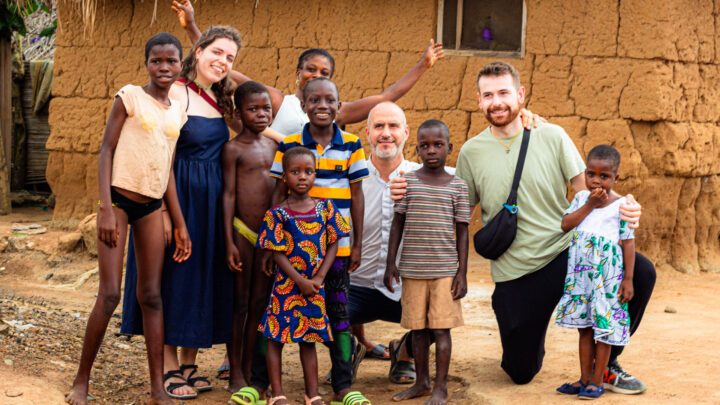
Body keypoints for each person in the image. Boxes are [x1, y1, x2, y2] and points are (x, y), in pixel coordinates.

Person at [451, 61, 654, 391]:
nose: (497, 101)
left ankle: (606, 362)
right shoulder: (472, 152)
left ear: (520, 94)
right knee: (520, 371)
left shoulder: (551, 135)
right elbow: (458, 212)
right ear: (478, 100)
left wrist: (625, 204)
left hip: (567, 253)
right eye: (488, 95)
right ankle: (529, 338)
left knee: (641, 272)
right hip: (516, 271)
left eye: (504, 92)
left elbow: (590, 191)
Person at [351, 101, 543, 385]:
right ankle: (347, 354)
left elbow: (488, 168)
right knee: (328, 312)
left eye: (393, 126)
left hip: (410, 284)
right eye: (379, 126)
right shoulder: (351, 178)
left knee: (437, 319)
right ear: (367, 132)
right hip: (359, 285)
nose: (386, 133)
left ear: (406, 133)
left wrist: (522, 122)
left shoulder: (438, 177)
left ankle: (403, 353)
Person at [67, 33, 191, 405]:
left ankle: (157, 390)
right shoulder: (129, 97)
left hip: (152, 206)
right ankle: (81, 382)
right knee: (109, 294)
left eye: (171, 61)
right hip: (119, 202)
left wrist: (180, 222)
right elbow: (106, 150)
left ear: (180, 64)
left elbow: (167, 169)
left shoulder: (177, 111)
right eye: (157, 61)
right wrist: (105, 207)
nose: (164, 67)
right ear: (147, 63)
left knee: (151, 295)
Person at [120, 26, 244, 398]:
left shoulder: (221, 102)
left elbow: (264, 120)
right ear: (198, 50)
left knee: (201, 278)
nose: (222, 62)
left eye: (230, 58)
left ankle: (190, 363)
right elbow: (162, 158)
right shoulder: (173, 92)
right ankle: (170, 365)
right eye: (216, 52)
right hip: (177, 200)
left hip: (211, 205)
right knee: (173, 278)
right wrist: (166, 215)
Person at [172, 0, 444, 138]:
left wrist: (423, 65)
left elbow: (386, 98)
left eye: (324, 73)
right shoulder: (278, 102)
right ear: (297, 74)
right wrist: (192, 29)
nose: (316, 75)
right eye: (310, 70)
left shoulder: (338, 111)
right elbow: (226, 71)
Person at [269, 77, 371, 405]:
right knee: (281, 317)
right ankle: (268, 384)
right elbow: (276, 193)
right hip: (294, 255)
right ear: (302, 105)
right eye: (314, 100)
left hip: (335, 253)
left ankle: (343, 383)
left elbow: (357, 196)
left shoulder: (352, 144)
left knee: (340, 318)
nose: (322, 106)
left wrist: (355, 243)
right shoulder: (288, 144)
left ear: (340, 107)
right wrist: (272, 244)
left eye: (330, 100)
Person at [384, 120, 470, 405]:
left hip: (445, 272)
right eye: (424, 146)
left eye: (438, 145)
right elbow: (398, 224)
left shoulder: (458, 186)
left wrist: (462, 273)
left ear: (449, 147)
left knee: (441, 329)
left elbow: (463, 231)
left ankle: (440, 388)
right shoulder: (407, 182)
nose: (431, 150)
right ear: (417, 148)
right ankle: (421, 382)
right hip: (412, 270)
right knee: (418, 330)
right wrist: (390, 264)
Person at [257, 146, 350, 405]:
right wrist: (299, 280)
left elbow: (334, 242)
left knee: (308, 340)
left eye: (308, 171)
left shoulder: (326, 208)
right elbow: (276, 252)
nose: (302, 177)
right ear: (284, 176)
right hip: (286, 288)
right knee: (276, 339)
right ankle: (277, 394)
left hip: (315, 287)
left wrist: (319, 278)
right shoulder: (277, 214)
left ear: (315, 175)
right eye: (295, 171)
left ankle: (313, 394)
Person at [555, 145, 635, 399]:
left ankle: (598, 380)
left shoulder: (621, 206)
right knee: (585, 328)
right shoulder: (580, 199)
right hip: (581, 279)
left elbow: (628, 242)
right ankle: (584, 378)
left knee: (605, 327)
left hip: (608, 279)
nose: (596, 181)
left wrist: (628, 279)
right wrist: (589, 204)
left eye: (604, 176)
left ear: (616, 178)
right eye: (591, 174)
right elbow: (565, 225)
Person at [220, 81, 279, 402]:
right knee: (239, 304)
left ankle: (253, 368)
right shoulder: (233, 149)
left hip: (268, 237)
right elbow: (228, 195)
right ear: (238, 112)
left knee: (260, 304)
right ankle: (235, 369)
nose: (260, 114)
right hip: (242, 232)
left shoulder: (274, 148)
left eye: (265, 108)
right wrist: (228, 239)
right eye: (252, 109)